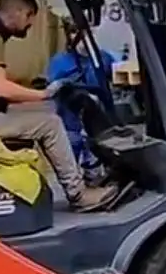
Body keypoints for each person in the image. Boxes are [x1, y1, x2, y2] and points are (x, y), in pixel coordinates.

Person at [0, 0, 116, 211]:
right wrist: (45, 94)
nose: (31, 23)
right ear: (18, 12)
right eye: (30, 16)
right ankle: (79, 194)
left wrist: (34, 94)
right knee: (50, 123)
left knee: (42, 113)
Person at [46, 15, 118, 185]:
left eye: (89, 32)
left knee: (100, 150)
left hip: (97, 125)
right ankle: (75, 186)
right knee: (72, 151)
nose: (83, 37)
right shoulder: (60, 62)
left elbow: (119, 71)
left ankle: (96, 176)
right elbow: (52, 89)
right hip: (71, 124)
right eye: (74, 33)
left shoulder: (102, 59)